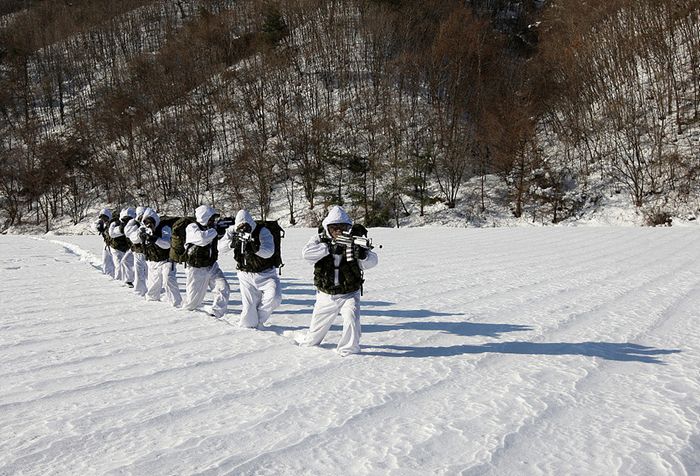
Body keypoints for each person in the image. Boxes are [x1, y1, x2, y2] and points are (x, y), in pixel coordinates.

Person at [295, 205, 378, 356]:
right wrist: (329, 248)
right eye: (334, 228)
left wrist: (363, 255)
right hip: (326, 294)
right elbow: (306, 254)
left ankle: (349, 351)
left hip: (349, 293)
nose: (338, 231)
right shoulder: (319, 239)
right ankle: (307, 345)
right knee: (314, 335)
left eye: (342, 227)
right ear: (328, 228)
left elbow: (373, 261)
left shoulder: (355, 240)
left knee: (352, 319)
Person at [225, 209, 282, 329]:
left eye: (246, 226)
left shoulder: (263, 231)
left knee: (275, 298)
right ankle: (250, 329)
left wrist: (255, 248)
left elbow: (269, 252)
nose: (244, 229)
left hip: (266, 274)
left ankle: (259, 320)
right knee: (248, 314)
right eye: (241, 227)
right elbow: (220, 247)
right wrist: (231, 243)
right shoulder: (234, 231)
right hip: (245, 275)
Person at [182, 205, 230, 318]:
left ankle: (216, 312)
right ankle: (185, 318)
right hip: (195, 268)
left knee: (223, 287)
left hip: (211, 265)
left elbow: (221, 244)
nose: (213, 221)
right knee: (192, 303)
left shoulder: (211, 229)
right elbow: (202, 239)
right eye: (211, 219)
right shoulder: (192, 227)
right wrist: (215, 230)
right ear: (204, 218)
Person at [140, 208, 182, 307]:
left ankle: (176, 303)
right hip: (153, 261)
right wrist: (142, 236)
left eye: (150, 222)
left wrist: (155, 239)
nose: (149, 224)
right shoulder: (143, 230)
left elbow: (167, 244)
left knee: (168, 280)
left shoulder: (164, 228)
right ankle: (152, 305)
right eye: (146, 222)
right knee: (153, 288)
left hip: (166, 260)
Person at [124, 206, 149, 296]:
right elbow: (130, 235)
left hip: (147, 251)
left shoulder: (149, 222)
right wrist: (140, 231)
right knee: (139, 271)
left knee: (147, 271)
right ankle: (139, 289)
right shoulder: (134, 223)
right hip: (138, 250)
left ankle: (145, 289)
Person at [109, 207, 136, 287]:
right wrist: (121, 229)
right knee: (119, 265)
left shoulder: (135, 223)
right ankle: (120, 281)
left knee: (128, 263)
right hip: (116, 247)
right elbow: (112, 233)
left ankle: (128, 281)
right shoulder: (115, 223)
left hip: (130, 247)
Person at [95, 208, 115, 278]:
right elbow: (94, 227)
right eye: (102, 218)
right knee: (106, 262)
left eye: (105, 217)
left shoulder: (113, 224)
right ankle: (108, 276)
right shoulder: (103, 224)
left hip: (113, 246)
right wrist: (99, 227)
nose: (103, 219)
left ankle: (115, 277)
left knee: (114, 263)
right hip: (106, 244)